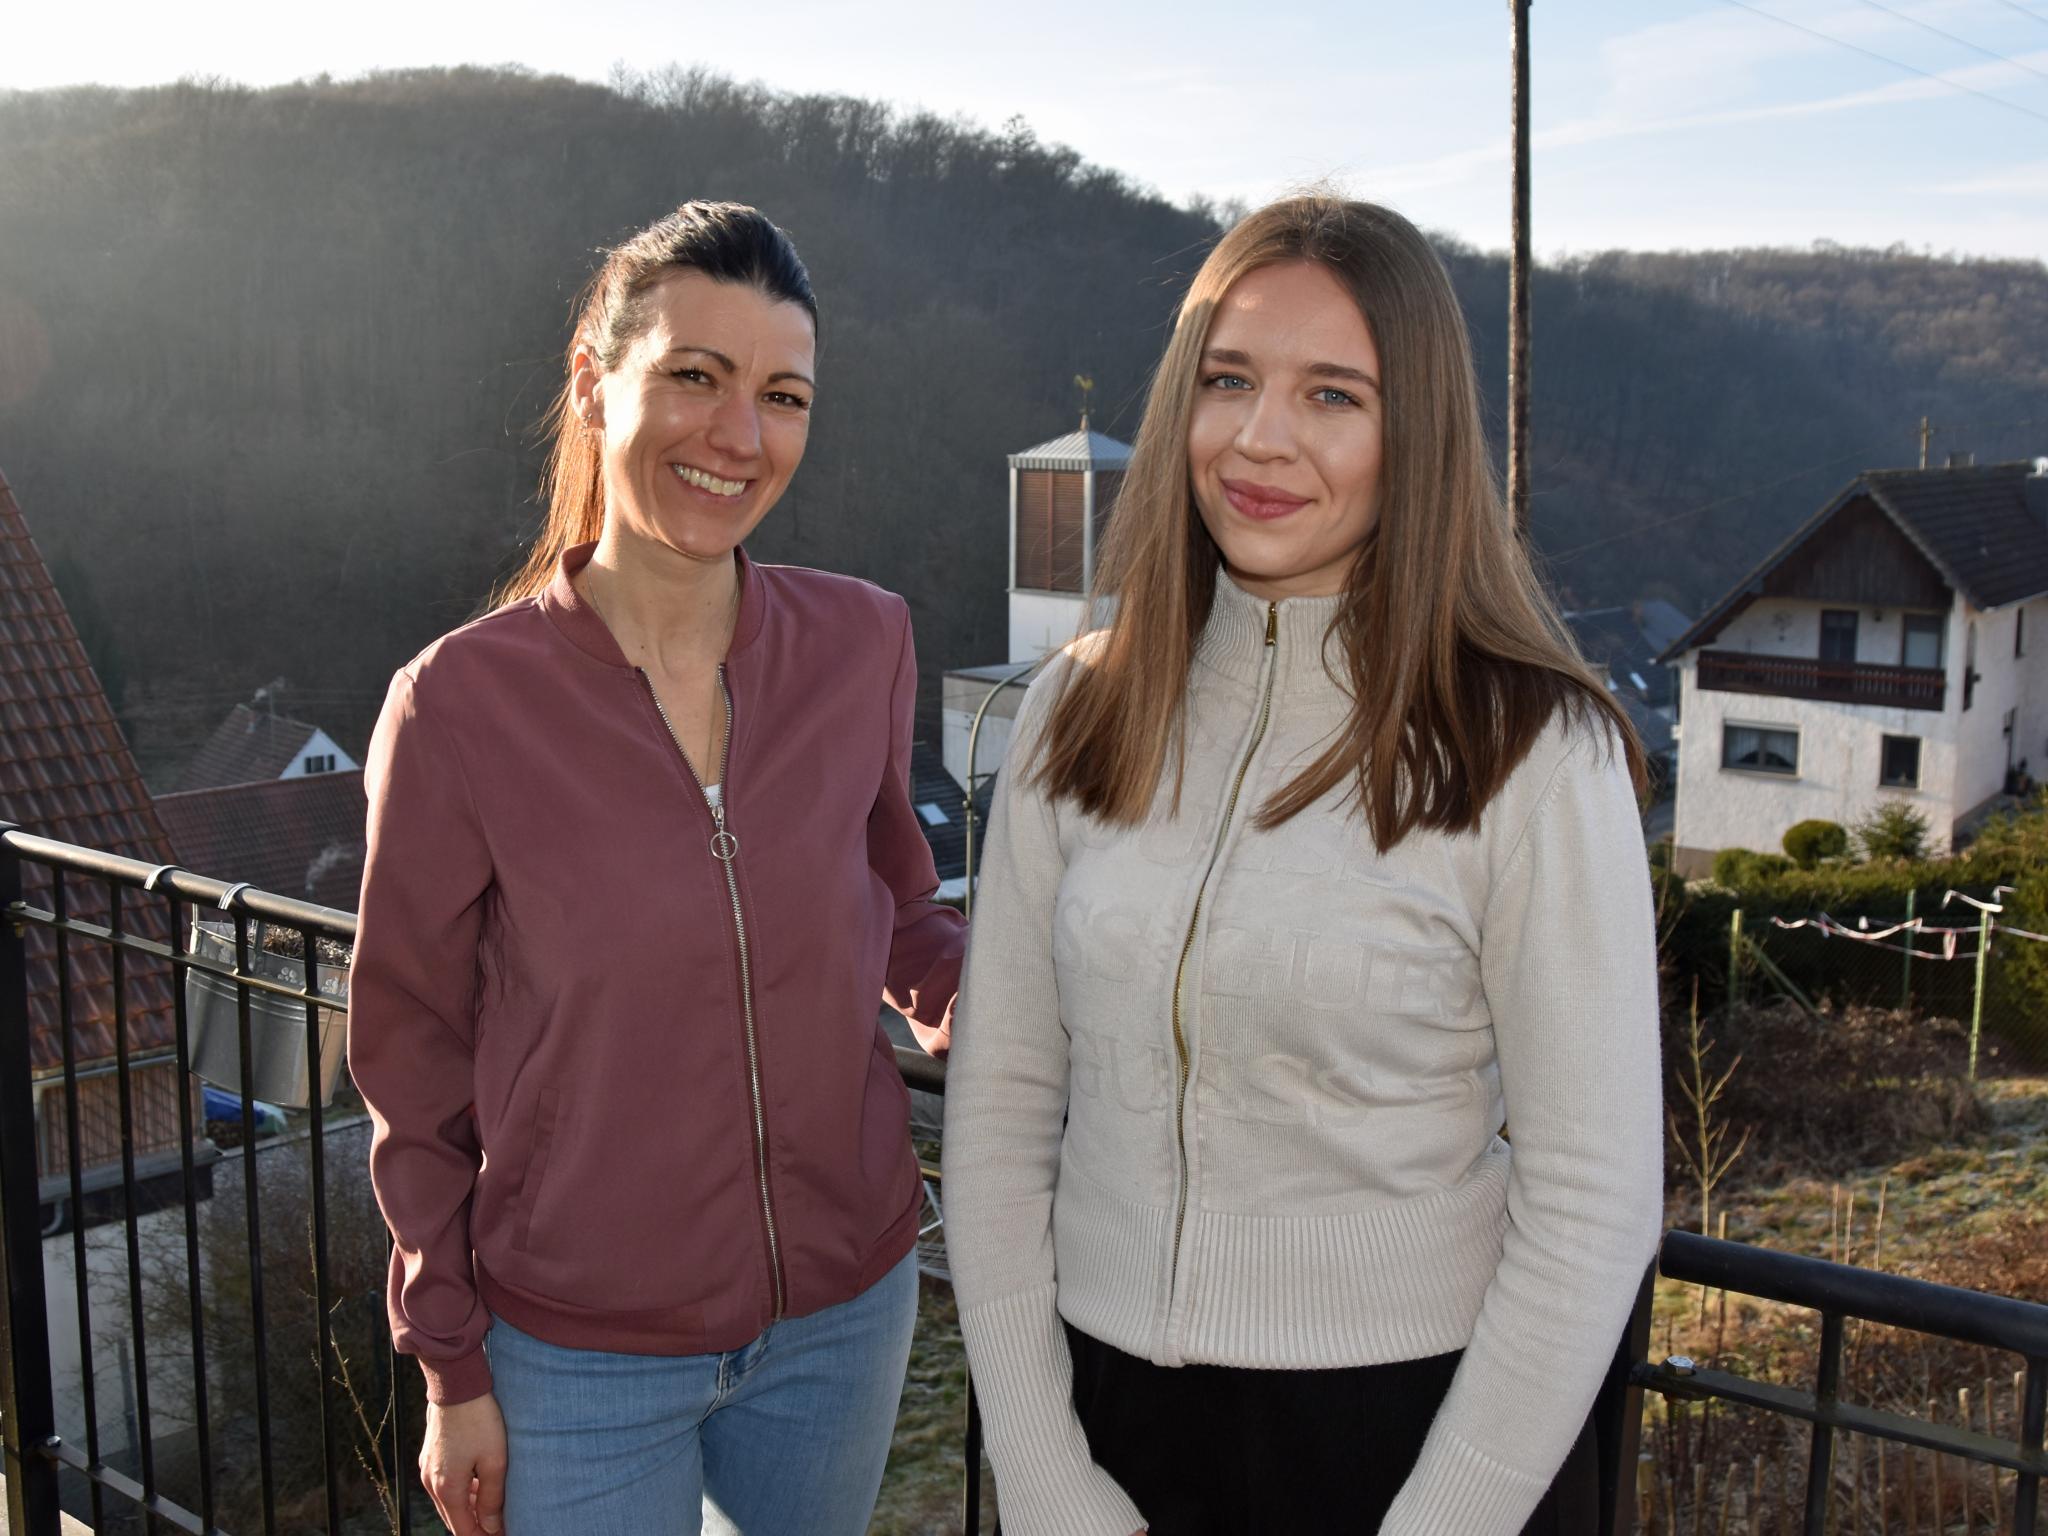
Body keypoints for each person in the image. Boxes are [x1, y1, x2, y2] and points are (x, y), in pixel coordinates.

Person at [941, 195, 1663, 1536]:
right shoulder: (1079, 706)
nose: (1261, 439)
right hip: (1104, 1437)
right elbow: (997, 1120)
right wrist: (1039, 1472)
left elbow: (1594, 1201)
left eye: (1334, 394)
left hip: (1419, 1447)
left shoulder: (1525, 746)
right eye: (1229, 380)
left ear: (1416, 437)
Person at [350, 200, 964, 1536]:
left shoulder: (863, 643)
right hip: (575, 1355)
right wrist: (450, 1360)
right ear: (594, 383)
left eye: (781, 395)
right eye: (695, 376)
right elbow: (408, 1055)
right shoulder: (460, 705)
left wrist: (988, 998)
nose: (739, 437)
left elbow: (902, 902)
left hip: (844, 1317)